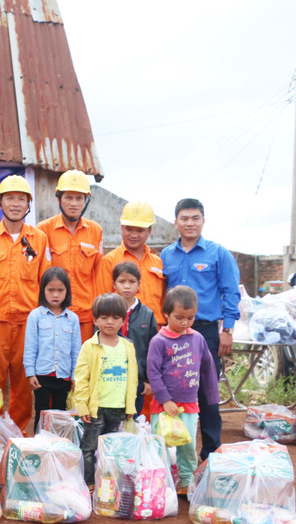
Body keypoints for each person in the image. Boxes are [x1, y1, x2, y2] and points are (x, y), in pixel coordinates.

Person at [160, 198, 240, 461]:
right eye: (184, 218)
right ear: (176, 222)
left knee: (207, 391)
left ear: (203, 221)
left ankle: (210, 454)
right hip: (172, 334)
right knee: (173, 390)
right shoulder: (166, 255)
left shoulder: (218, 254)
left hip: (205, 331)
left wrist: (227, 329)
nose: (190, 223)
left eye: (195, 218)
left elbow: (230, 292)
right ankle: (174, 458)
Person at [0, 175, 51, 433]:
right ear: (1, 203)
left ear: (28, 204)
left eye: (21, 199)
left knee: (23, 382)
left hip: (29, 324)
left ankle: (18, 435)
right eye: (10, 198)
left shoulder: (39, 239)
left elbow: (46, 281)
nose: (15, 204)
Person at [147, 286, 220, 493]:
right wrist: (165, 400)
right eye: (179, 317)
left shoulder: (197, 338)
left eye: (190, 318)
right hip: (164, 405)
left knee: (187, 445)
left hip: (189, 405)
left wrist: (212, 396)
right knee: (160, 444)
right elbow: (153, 373)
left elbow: (208, 368)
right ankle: (159, 482)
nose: (185, 322)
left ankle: (186, 481)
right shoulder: (158, 341)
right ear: (166, 314)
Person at [73, 293, 138, 486]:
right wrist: (83, 407)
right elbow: (81, 379)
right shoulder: (90, 346)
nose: (109, 322)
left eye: (115, 318)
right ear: (94, 320)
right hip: (96, 408)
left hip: (118, 408)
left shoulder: (128, 346)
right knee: (88, 448)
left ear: (123, 321)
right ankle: (89, 484)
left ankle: (108, 484)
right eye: (104, 318)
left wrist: (130, 408)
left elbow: (132, 379)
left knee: (113, 450)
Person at [37, 170, 102, 341]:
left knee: (85, 364)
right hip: (54, 314)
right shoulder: (43, 230)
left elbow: (99, 273)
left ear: (86, 201)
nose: (74, 203)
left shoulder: (96, 231)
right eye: (68, 198)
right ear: (59, 199)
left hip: (86, 317)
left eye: (79, 198)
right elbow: (38, 274)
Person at [24, 267, 82, 433]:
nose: (55, 295)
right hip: (41, 375)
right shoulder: (35, 316)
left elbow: (76, 350)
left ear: (67, 292)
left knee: (61, 414)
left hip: (63, 376)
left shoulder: (73, 319)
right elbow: (30, 346)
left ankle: (58, 447)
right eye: (50, 290)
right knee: (42, 412)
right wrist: (30, 373)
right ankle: (40, 445)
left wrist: (74, 376)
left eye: (60, 290)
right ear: (43, 291)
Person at [97, 201, 166, 325]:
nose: (134, 235)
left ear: (149, 231)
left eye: (140, 230)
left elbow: (163, 301)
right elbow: (102, 302)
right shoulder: (109, 261)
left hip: (155, 332)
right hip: (122, 331)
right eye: (129, 229)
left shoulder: (157, 262)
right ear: (122, 228)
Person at [112, 261, 158, 416]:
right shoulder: (106, 310)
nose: (127, 286)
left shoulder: (147, 314)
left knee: (133, 419)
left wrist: (148, 380)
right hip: (110, 378)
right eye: (122, 281)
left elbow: (152, 351)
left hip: (136, 379)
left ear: (139, 285)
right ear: (114, 284)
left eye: (132, 282)